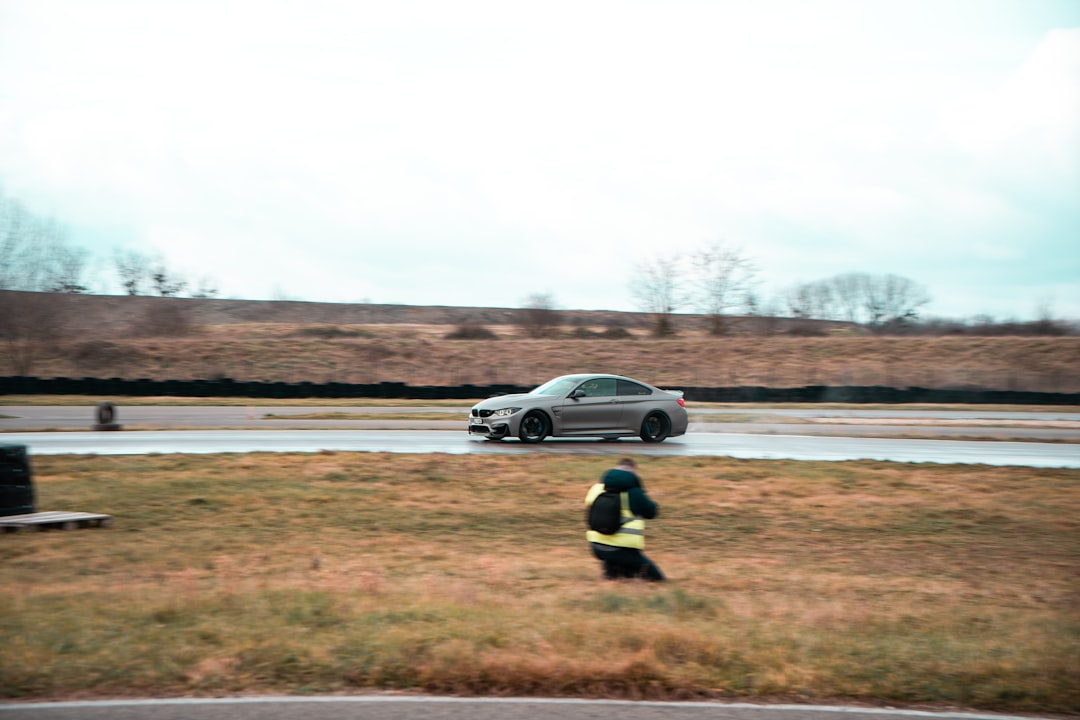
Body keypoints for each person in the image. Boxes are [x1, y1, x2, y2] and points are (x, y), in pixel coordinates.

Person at [584, 457, 664, 581]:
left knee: (619, 575)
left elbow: (589, 504)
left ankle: (612, 572)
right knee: (656, 578)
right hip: (622, 549)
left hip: (596, 547)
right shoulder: (633, 493)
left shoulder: (597, 488)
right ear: (633, 473)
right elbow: (651, 512)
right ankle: (619, 571)